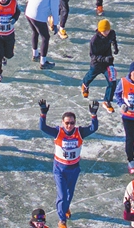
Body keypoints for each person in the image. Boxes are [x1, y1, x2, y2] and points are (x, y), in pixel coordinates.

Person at [38, 98, 99, 228]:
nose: (69, 126)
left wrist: (93, 115)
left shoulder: (79, 132)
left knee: (69, 193)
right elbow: (42, 127)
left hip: (74, 169)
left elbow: (94, 128)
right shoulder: (57, 132)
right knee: (62, 194)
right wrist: (43, 113)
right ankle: (62, 220)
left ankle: (65, 208)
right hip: (59, 169)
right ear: (62, 122)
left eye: (71, 123)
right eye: (67, 123)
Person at [80, 19, 118, 109]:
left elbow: (113, 39)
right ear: (100, 30)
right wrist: (104, 59)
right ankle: (85, 85)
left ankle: (107, 101)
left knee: (112, 82)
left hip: (108, 63)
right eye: (104, 31)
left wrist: (115, 47)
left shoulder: (111, 33)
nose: (107, 32)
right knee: (90, 76)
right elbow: (92, 55)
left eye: (108, 30)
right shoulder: (94, 40)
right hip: (96, 64)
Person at [26, 0, 61, 69]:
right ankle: (43, 62)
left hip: (28, 12)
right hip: (38, 16)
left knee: (35, 32)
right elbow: (54, 9)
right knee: (46, 37)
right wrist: (55, 24)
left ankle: (35, 55)